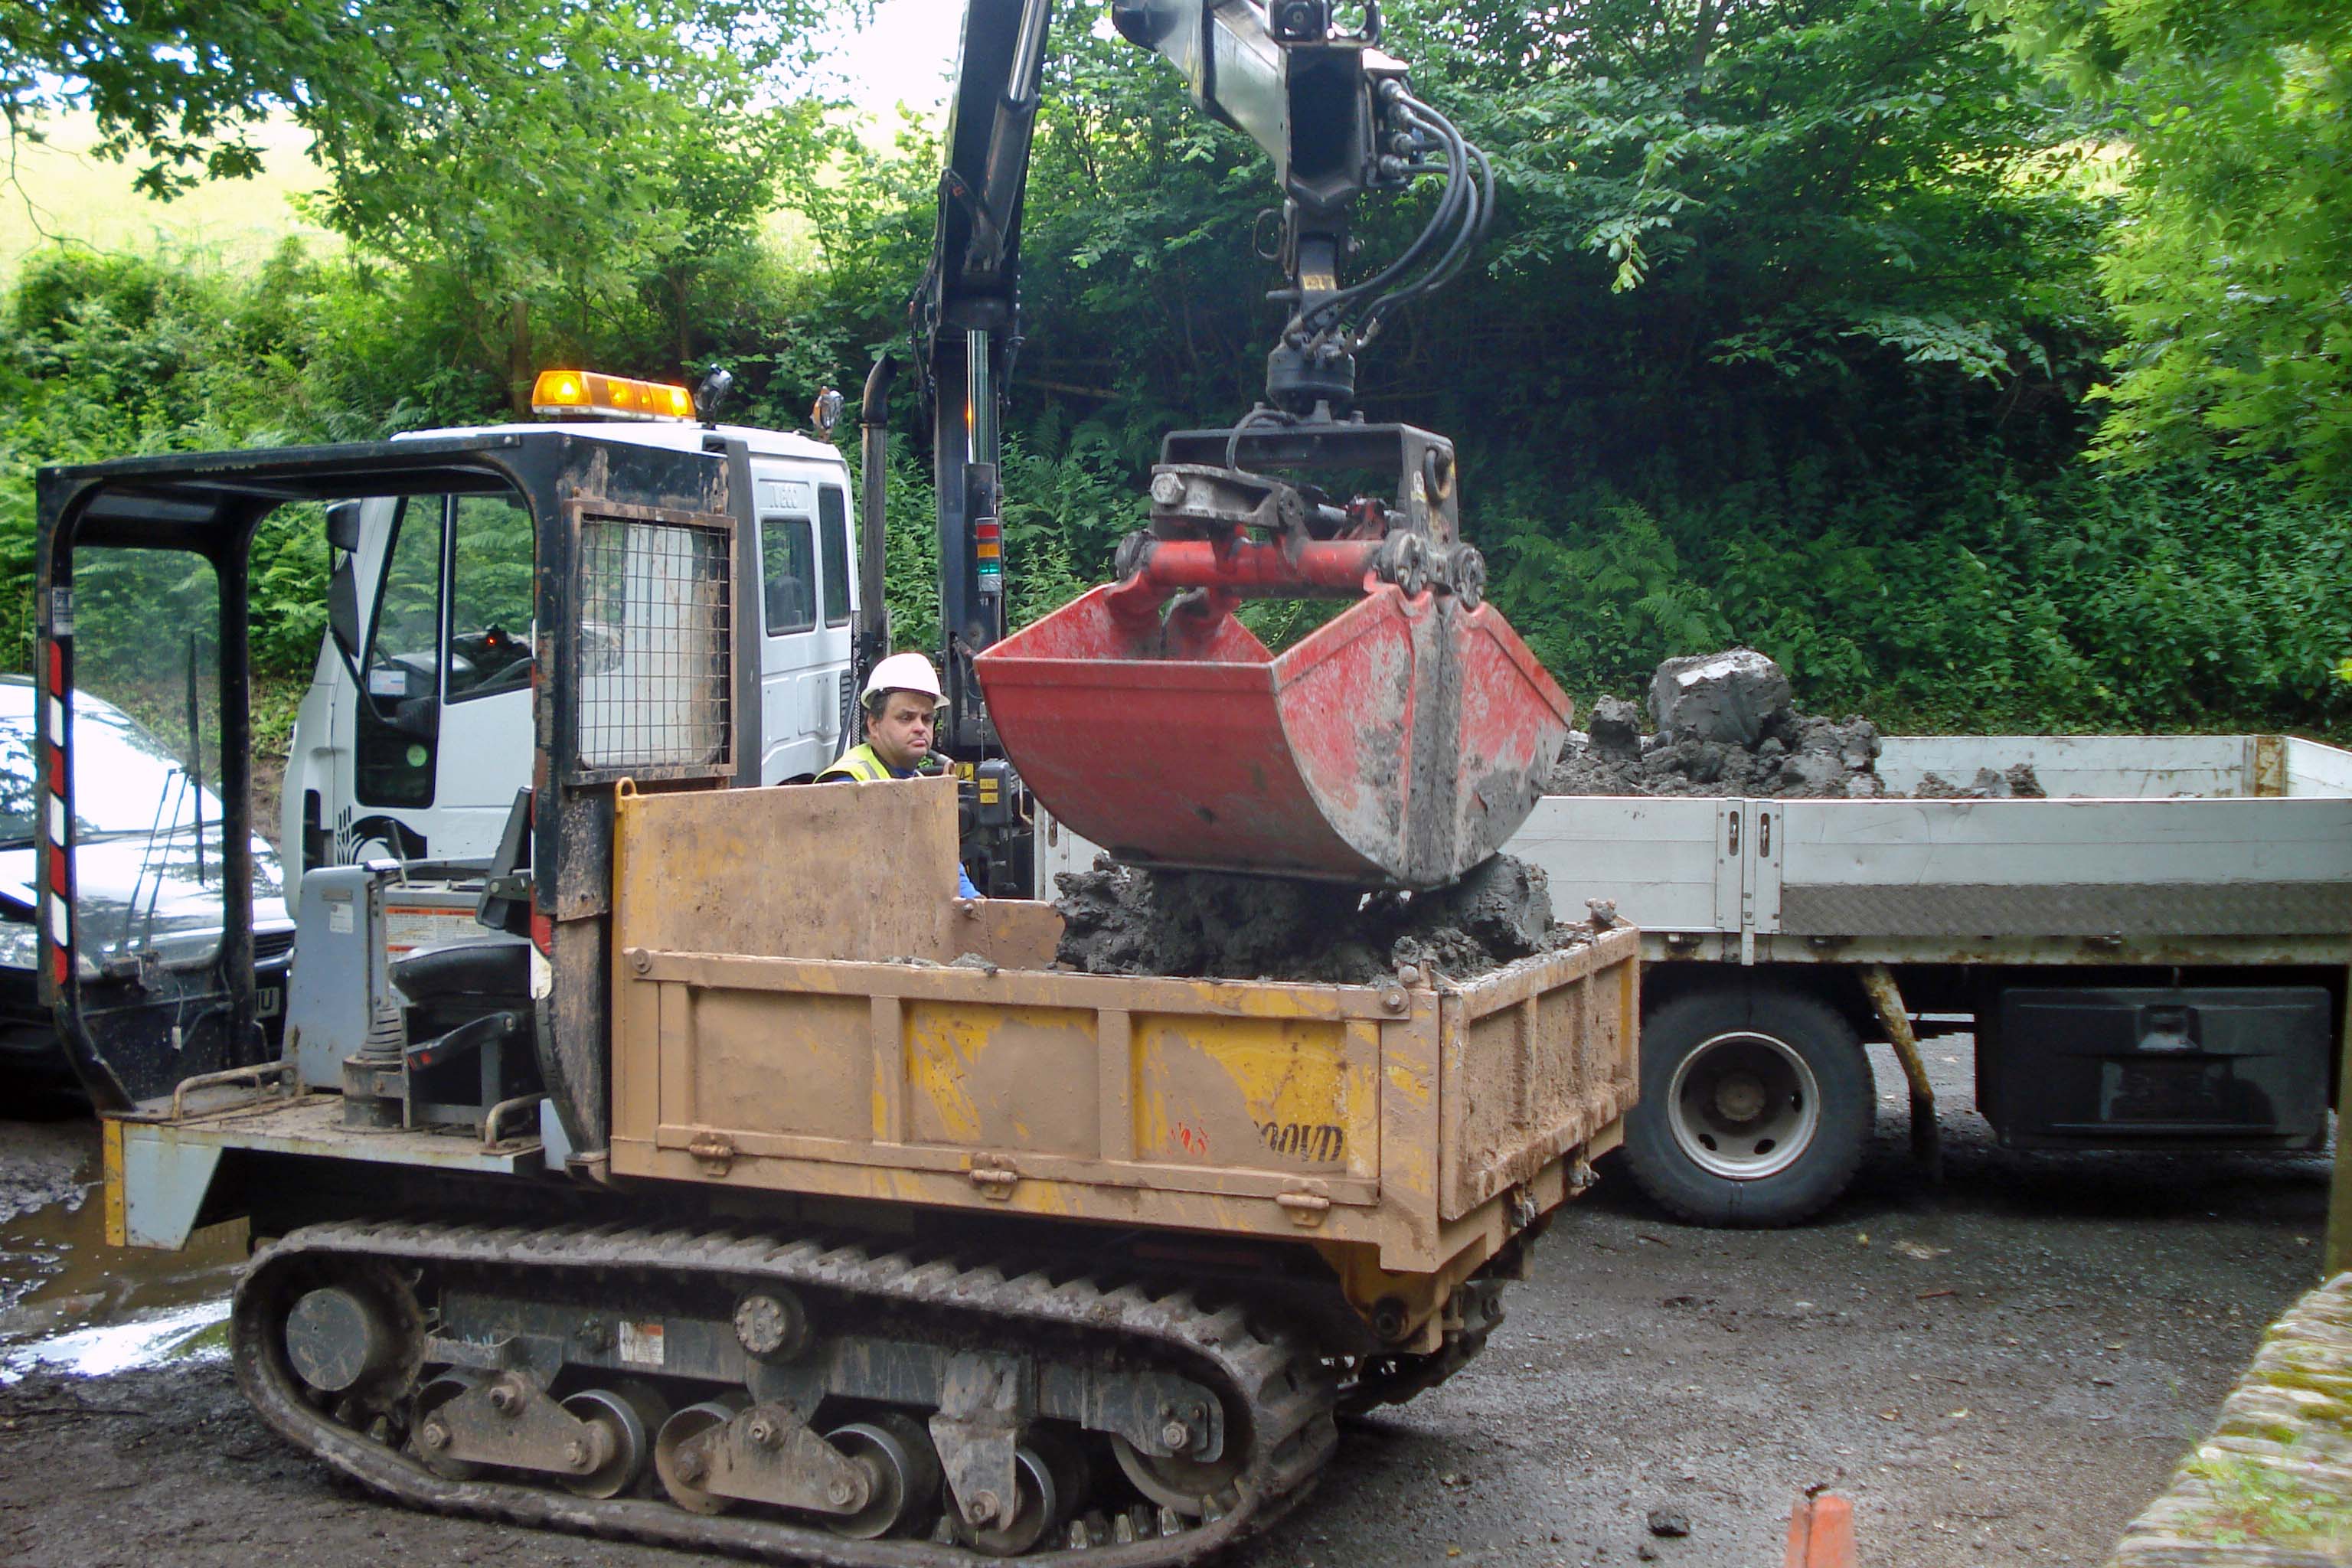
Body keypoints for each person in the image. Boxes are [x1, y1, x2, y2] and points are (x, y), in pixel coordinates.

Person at [820, 651, 980, 899]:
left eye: (927, 719)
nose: (920, 727)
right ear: (874, 725)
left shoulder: (917, 782)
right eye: (906, 718)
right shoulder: (847, 781)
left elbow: (944, 862)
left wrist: (976, 904)